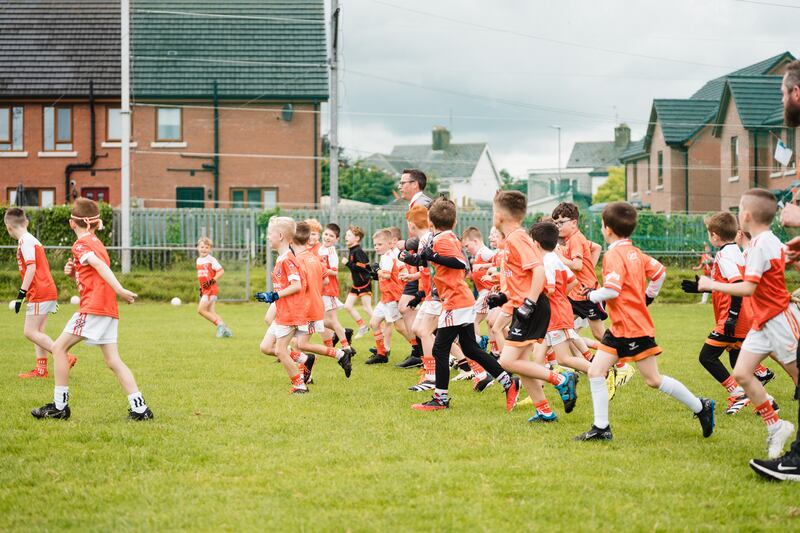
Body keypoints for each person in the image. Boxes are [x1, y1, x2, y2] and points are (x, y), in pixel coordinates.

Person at [575, 201, 714, 442]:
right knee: (596, 371)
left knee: (653, 380)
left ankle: (701, 406)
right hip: (620, 327)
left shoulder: (613, 255)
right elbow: (659, 272)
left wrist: (590, 295)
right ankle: (601, 428)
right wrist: (648, 296)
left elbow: (613, 290)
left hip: (632, 328)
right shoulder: (634, 252)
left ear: (607, 229)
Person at [698, 189, 798, 461]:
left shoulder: (763, 243)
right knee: (742, 373)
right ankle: (776, 426)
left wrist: (709, 284)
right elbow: (783, 260)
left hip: (777, 319)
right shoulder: (759, 243)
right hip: (760, 321)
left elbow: (749, 287)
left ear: (747, 215)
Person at [31, 198, 152, 420]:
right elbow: (93, 271)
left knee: (58, 349)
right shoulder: (96, 242)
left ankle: (60, 407)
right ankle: (140, 408)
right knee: (113, 361)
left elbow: (99, 266)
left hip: (94, 307)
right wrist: (73, 273)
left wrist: (119, 288)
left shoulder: (80, 245)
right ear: (95, 223)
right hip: (107, 309)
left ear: (72, 223)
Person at [411, 197, 521, 411]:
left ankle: (440, 399)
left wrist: (433, 255)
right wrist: (413, 258)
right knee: (470, 348)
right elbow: (435, 262)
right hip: (459, 299)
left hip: (455, 301)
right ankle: (508, 382)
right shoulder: (447, 236)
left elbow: (460, 263)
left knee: (440, 349)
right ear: (453, 222)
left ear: (431, 222)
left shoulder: (442, 240)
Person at [750, 58, 800, 482]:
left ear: (796, 93)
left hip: (777, 314)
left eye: (783, 93)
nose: (782, 101)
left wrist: (795, 219)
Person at [484, 191, 578, 416]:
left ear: (498, 216)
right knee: (521, 362)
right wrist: (504, 297)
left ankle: (561, 378)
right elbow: (522, 279)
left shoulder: (517, 238)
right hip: (525, 306)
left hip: (532, 308)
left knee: (507, 361)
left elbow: (538, 270)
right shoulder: (512, 239)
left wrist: (529, 303)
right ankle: (545, 412)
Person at [682, 212, 771, 415]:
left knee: (707, 356)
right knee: (736, 363)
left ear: (714, 236)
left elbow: (738, 284)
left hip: (733, 318)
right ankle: (767, 402)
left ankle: (738, 393)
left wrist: (731, 315)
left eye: (708, 234)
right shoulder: (735, 251)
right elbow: (727, 285)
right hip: (742, 316)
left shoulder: (724, 255)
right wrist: (701, 288)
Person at [5, 208, 77, 378]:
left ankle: (65, 356)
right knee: (38, 332)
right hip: (46, 289)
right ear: (27, 222)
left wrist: (20, 296)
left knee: (29, 332)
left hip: (39, 290)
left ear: (8, 226)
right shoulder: (32, 239)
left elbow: (31, 269)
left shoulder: (25, 241)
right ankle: (41, 370)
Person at [290, 221, 353, 380]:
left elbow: (329, 275)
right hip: (310, 301)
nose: (313, 237)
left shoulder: (312, 255)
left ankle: (344, 348)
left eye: (315, 234)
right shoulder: (310, 254)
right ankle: (336, 352)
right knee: (300, 341)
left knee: (327, 323)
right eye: (311, 234)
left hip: (314, 300)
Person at [257, 217, 309, 394]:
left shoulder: (288, 259)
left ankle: (300, 385)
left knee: (280, 350)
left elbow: (297, 286)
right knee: (265, 347)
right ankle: (304, 358)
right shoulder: (281, 259)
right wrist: (271, 297)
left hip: (291, 313)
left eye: (270, 233)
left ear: (279, 235)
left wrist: (275, 295)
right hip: (282, 311)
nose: (267, 237)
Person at [366, 229, 415, 364]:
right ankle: (382, 354)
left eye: (380, 244)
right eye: (375, 245)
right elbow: (401, 269)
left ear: (389, 243)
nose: (376, 247)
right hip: (385, 297)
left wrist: (377, 270)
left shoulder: (388, 256)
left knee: (400, 327)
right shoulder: (390, 255)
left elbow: (386, 275)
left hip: (392, 297)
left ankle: (419, 349)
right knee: (374, 323)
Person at [318, 223, 354, 352]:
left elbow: (334, 271)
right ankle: (344, 333)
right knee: (320, 320)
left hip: (329, 290)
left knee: (331, 320)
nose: (327, 237)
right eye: (326, 234)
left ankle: (346, 347)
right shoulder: (320, 249)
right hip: (320, 290)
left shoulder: (331, 251)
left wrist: (319, 269)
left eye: (331, 236)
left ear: (336, 239)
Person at [195, 237, 232, 338]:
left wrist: (211, 282)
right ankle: (227, 330)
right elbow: (202, 277)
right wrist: (201, 288)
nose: (204, 249)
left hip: (211, 289)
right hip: (205, 290)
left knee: (201, 310)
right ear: (198, 248)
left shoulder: (211, 260)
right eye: (202, 247)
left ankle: (220, 325)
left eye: (206, 247)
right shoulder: (198, 260)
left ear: (210, 249)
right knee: (211, 312)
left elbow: (221, 271)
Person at [343, 225, 373, 338]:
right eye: (346, 235)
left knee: (367, 307)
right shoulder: (352, 250)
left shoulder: (358, 251)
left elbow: (362, 267)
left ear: (357, 238)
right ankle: (362, 326)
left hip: (364, 283)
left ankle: (382, 327)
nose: (346, 237)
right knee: (347, 306)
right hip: (356, 285)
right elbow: (356, 267)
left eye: (349, 235)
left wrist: (347, 264)